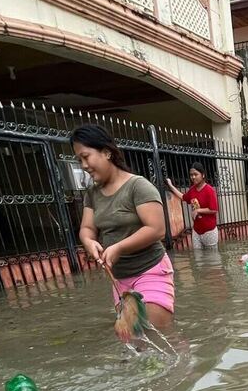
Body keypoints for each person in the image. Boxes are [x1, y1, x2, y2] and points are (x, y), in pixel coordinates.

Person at [74, 124, 174, 329]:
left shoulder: (138, 186)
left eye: (86, 157)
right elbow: (87, 228)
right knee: (133, 340)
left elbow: (157, 229)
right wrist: (89, 242)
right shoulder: (92, 194)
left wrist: (119, 247)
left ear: (106, 152)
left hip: (150, 270)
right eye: (79, 160)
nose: (83, 165)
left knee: (156, 335)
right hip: (119, 279)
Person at [166, 163, 219, 249]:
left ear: (203, 175)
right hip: (196, 230)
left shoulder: (209, 190)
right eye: (191, 175)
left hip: (209, 231)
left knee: (211, 256)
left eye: (196, 174)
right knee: (197, 255)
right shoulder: (192, 190)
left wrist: (198, 210)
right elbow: (183, 197)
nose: (193, 177)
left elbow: (214, 210)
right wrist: (171, 186)